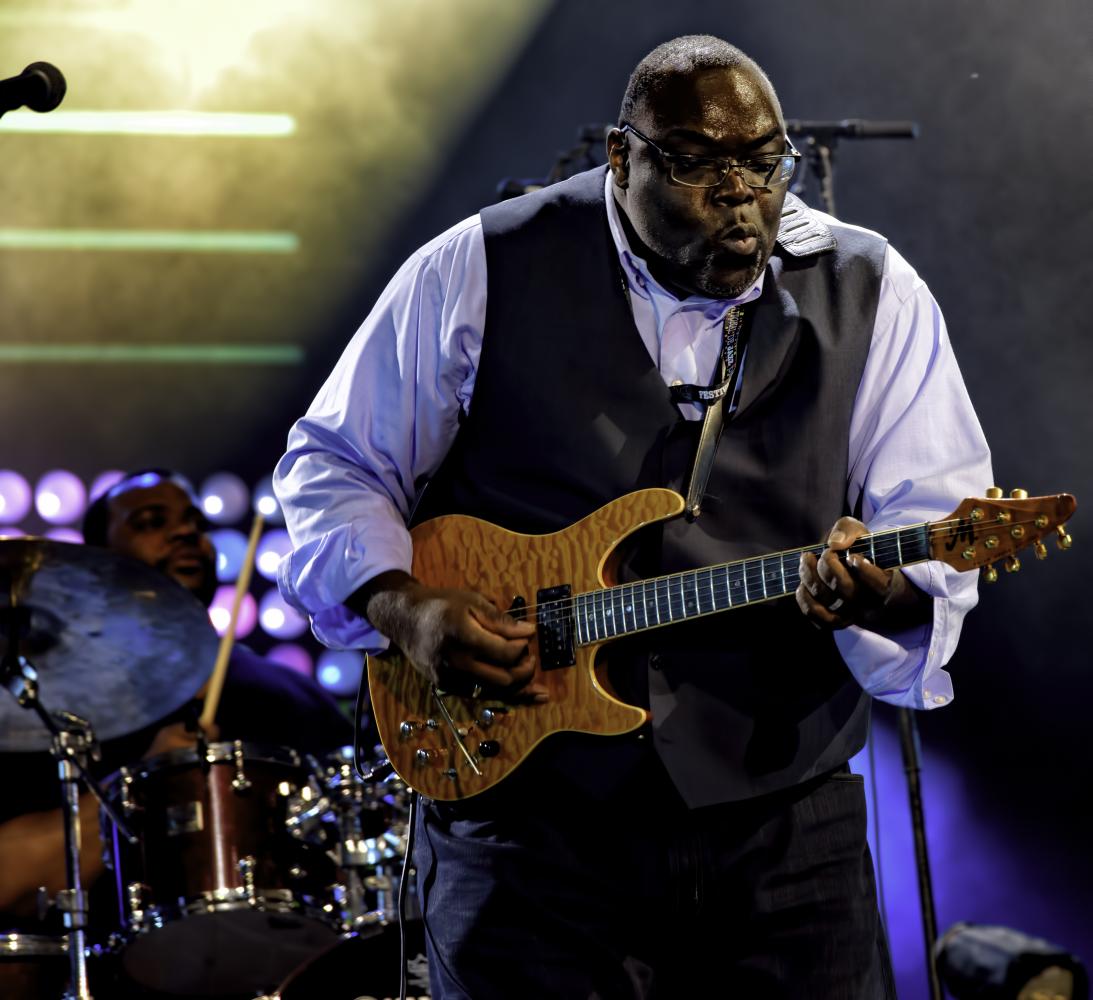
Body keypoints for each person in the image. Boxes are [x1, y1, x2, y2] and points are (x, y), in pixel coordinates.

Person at [273, 35, 993, 999]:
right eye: (698, 163)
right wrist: (404, 607)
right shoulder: (484, 263)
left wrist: (886, 589)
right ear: (623, 156)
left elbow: (936, 521)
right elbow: (333, 462)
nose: (740, 193)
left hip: (782, 831)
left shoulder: (869, 288)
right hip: (528, 831)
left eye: (763, 162)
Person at [0, 468, 354, 998]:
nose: (187, 533)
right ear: (99, 558)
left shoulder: (291, 699)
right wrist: (141, 789)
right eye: (151, 521)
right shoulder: (41, 702)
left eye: (195, 522)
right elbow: (8, 882)